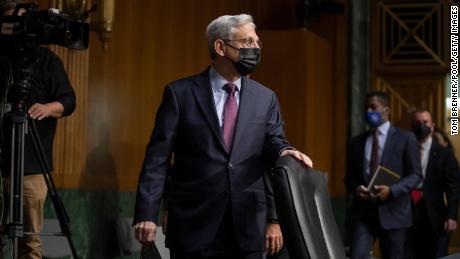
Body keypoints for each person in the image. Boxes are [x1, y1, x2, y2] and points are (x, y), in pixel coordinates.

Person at [133, 14, 312, 259]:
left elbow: (273, 141)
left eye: (258, 43)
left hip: (247, 225)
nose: (256, 49)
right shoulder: (180, 93)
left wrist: (284, 151)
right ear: (220, 47)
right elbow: (157, 158)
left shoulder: (265, 98)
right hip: (193, 224)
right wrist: (146, 213)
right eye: (248, 42)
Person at [0, 1, 76, 258]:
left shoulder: (46, 60)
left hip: (32, 168)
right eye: (12, 24)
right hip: (0, 165)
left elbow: (68, 101)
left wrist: (47, 108)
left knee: (29, 243)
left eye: (22, 24)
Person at [345, 91, 422, 259]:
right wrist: (357, 188)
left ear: (386, 110)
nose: (368, 111)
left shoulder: (406, 138)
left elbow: (416, 175)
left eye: (373, 107)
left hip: (395, 213)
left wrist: (392, 190)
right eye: (366, 108)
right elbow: (349, 178)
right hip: (363, 214)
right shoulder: (356, 142)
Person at [407, 109, 460, 259]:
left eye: (425, 122)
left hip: (434, 215)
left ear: (433, 125)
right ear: (411, 126)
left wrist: (451, 216)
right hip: (406, 211)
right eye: (417, 123)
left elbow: (453, 188)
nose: (421, 126)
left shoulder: (444, 154)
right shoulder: (404, 149)